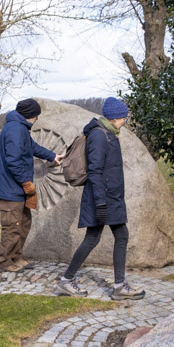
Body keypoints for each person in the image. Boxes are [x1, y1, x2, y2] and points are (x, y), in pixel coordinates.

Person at [54, 97, 145, 300]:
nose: (125, 121)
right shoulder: (99, 136)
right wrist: (101, 203)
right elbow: (95, 171)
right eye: (123, 117)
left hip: (110, 198)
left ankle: (118, 286)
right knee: (92, 239)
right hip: (102, 198)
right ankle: (67, 281)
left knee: (119, 236)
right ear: (113, 118)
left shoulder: (109, 134)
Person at [0, 98, 62, 272]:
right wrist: (25, 182)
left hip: (16, 189)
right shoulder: (15, 129)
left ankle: (16, 256)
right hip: (10, 189)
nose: (37, 119)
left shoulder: (20, 128)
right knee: (12, 226)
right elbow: (13, 161)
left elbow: (32, 147)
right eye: (36, 115)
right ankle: (4, 262)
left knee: (23, 223)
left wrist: (52, 156)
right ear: (29, 115)